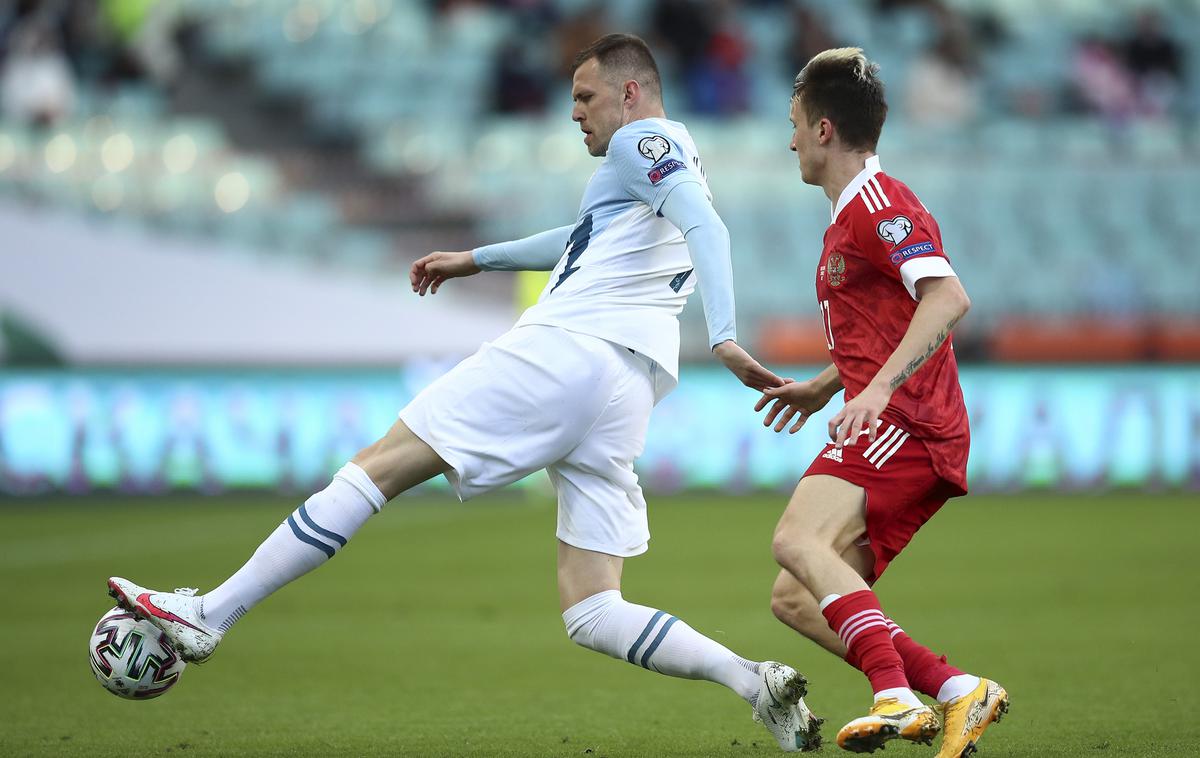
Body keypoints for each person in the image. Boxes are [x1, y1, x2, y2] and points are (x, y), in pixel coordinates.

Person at [107, 33, 823, 753]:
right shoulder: (664, 154)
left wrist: (726, 336)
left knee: (378, 465)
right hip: (627, 387)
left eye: (585, 96)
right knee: (592, 607)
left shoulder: (643, 143)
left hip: (569, 349)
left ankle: (212, 612)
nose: (574, 112)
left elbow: (707, 223)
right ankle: (751, 681)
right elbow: (583, 238)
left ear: (630, 92)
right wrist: (474, 259)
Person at [757, 48, 1008, 756]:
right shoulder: (849, 217)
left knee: (794, 539)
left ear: (826, 129)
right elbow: (889, 323)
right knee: (795, 596)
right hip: (897, 417)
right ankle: (959, 689)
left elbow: (948, 297)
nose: (791, 140)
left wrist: (878, 387)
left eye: (796, 124)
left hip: (911, 423)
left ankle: (895, 696)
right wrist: (827, 383)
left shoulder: (877, 203)